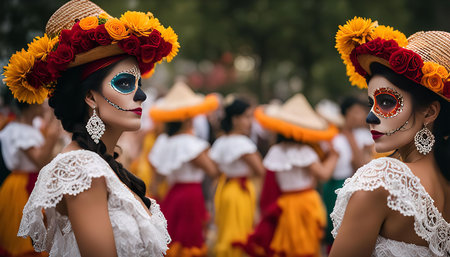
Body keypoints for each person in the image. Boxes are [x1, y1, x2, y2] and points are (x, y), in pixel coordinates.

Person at [3, 0, 180, 256]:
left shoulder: (101, 162)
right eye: (125, 83)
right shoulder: (83, 169)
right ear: (90, 97)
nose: (140, 95)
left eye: (138, 82)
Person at [330, 17, 450, 256]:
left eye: (386, 101)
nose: (370, 117)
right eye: (370, 103)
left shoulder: (384, 179)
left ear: (430, 111)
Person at [240, 94, 339, 257]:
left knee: (288, 245)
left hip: (285, 203)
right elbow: (324, 174)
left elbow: (268, 179)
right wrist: (334, 156)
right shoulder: (305, 151)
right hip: (305, 203)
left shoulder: (275, 150)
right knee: (305, 244)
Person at [149, 81, 219, 256]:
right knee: (189, 242)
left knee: (172, 239)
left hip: (172, 195)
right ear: (188, 118)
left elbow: (156, 180)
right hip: (191, 197)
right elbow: (212, 170)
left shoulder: (163, 142)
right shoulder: (191, 144)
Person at [0, 100, 60, 257]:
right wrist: (52, 136)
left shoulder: (28, 127)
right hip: (24, 186)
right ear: (30, 106)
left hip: (32, 182)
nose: (43, 106)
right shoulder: (18, 131)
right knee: (28, 243)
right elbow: (40, 160)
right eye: (40, 103)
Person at [209, 96, 265, 257]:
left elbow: (215, 171)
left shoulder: (221, 142)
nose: (250, 121)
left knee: (227, 230)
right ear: (235, 119)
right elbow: (260, 170)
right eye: (247, 117)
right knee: (239, 233)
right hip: (239, 194)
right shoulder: (242, 143)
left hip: (225, 191)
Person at [321, 96, 374, 247]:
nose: (361, 115)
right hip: (334, 186)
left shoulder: (364, 136)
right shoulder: (333, 136)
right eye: (356, 112)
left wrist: (349, 136)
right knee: (334, 229)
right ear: (346, 113)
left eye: (363, 111)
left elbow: (360, 165)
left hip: (354, 185)